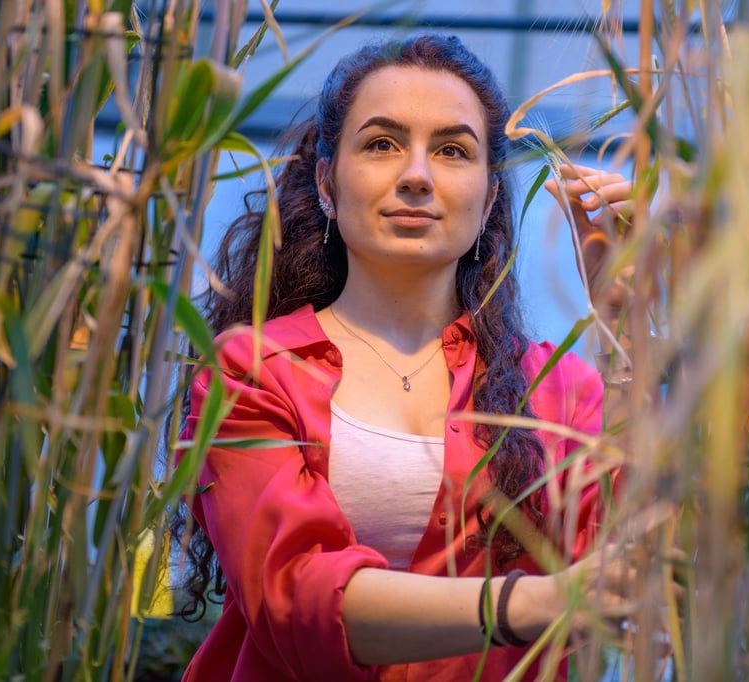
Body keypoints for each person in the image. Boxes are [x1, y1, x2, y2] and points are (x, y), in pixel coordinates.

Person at [176, 33, 636, 681]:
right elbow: (295, 594)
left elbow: (632, 567)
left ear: (491, 198)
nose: (416, 175)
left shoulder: (561, 388)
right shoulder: (252, 370)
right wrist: (542, 599)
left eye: (452, 150)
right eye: (381, 143)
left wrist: (627, 325)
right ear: (328, 185)